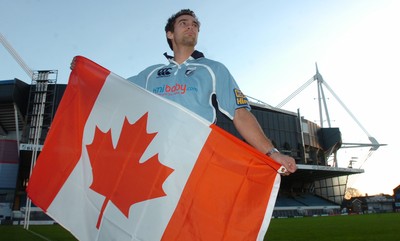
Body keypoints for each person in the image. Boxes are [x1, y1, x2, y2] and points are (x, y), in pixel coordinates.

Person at [128, 9, 297, 174]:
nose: (191, 27)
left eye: (195, 25)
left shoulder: (213, 69)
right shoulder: (151, 74)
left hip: (196, 160)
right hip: (153, 160)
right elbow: (112, 90)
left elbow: (240, 114)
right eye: (183, 23)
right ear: (170, 34)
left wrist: (272, 153)